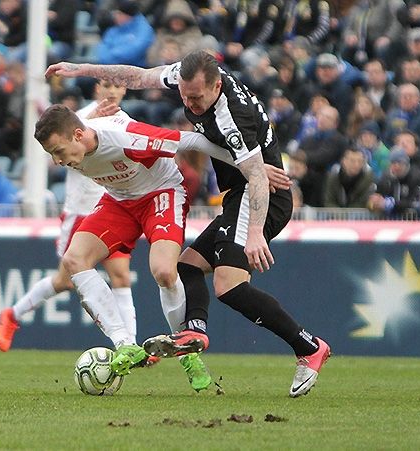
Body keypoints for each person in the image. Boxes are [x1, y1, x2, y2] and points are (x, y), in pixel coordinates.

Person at [46, 50, 331, 398]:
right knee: (187, 267)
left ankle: (309, 347)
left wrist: (256, 232)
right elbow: (137, 76)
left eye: (196, 97)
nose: (189, 103)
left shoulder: (232, 117)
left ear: (215, 85)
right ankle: (189, 335)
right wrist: (81, 68)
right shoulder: (187, 77)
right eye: (184, 94)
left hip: (258, 195)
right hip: (236, 192)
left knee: (228, 285)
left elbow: (251, 173)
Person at [20, 104, 251, 391]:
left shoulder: (126, 137)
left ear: (77, 135)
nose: (57, 161)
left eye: (58, 151)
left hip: (161, 193)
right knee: (74, 260)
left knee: (164, 272)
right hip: (119, 201)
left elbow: (189, 140)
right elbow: (79, 119)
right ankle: (125, 344)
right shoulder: (79, 136)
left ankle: (187, 356)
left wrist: (251, 165)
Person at [0, 81, 142, 366]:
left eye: (118, 89)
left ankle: (131, 347)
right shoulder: (80, 121)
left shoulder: (117, 119)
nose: (112, 94)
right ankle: (12, 314)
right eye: (107, 88)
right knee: (64, 281)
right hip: (79, 213)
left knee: (121, 274)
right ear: (97, 89)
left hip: (110, 208)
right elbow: (71, 131)